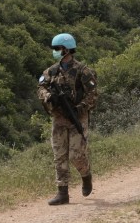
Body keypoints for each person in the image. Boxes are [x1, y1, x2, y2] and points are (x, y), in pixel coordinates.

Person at [37, 32, 98, 206]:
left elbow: (93, 94)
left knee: (76, 155)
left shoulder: (82, 71)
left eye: (58, 48)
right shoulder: (51, 71)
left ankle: (86, 175)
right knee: (59, 155)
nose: (55, 51)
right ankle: (62, 192)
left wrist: (80, 108)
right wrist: (48, 96)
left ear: (67, 49)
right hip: (59, 117)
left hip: (77, 116)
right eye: (54, 48)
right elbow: (40, 87)